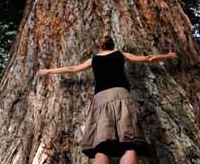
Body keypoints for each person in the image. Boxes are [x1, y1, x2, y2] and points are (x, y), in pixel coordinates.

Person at [37, 34, 178, 164]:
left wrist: (48, 71)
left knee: (101, 144)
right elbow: (148, 59)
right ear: (113, 44)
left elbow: (72, 69)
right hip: (122, 96)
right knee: (128, 143)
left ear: (99, 46)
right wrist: (168, 55)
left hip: (101, 100)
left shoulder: (94, 59)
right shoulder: (120, 54)